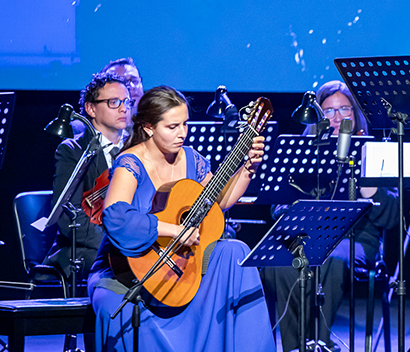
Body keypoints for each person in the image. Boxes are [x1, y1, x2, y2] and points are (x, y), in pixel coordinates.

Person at [87, 85, 275, 351]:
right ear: (149, 128)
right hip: (125, 269)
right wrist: (174, 230)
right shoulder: (131, 162)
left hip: (181, 263)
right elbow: (116, 217)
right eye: (172, 126)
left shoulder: (191, 159)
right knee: (116, 309)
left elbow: (220, 201)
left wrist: (247, 169)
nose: (182, 133)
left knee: (236, 251)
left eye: (185, 124)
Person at [261, 80, 397, 352]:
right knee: (278, 263)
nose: (337, 117)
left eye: (344, 109)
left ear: (355, 114)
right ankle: (297, 347)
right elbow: (278, 205)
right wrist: (292, 211)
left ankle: (319, 343)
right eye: (329, 111)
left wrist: (369, 185)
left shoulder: (373, 151)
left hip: (356, 240)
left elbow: (391, 217)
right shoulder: (302, 151)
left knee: (331, 258)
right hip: (306, 236)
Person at [44, 72, 132, 290]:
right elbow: (69, 218)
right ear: (91, 109)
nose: (123, 108)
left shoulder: (136, 149)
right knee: (123, 268)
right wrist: (119, 241)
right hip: (86, 249)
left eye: (127, 102)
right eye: (114, 102)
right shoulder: (73, 151)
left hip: (130, 242)